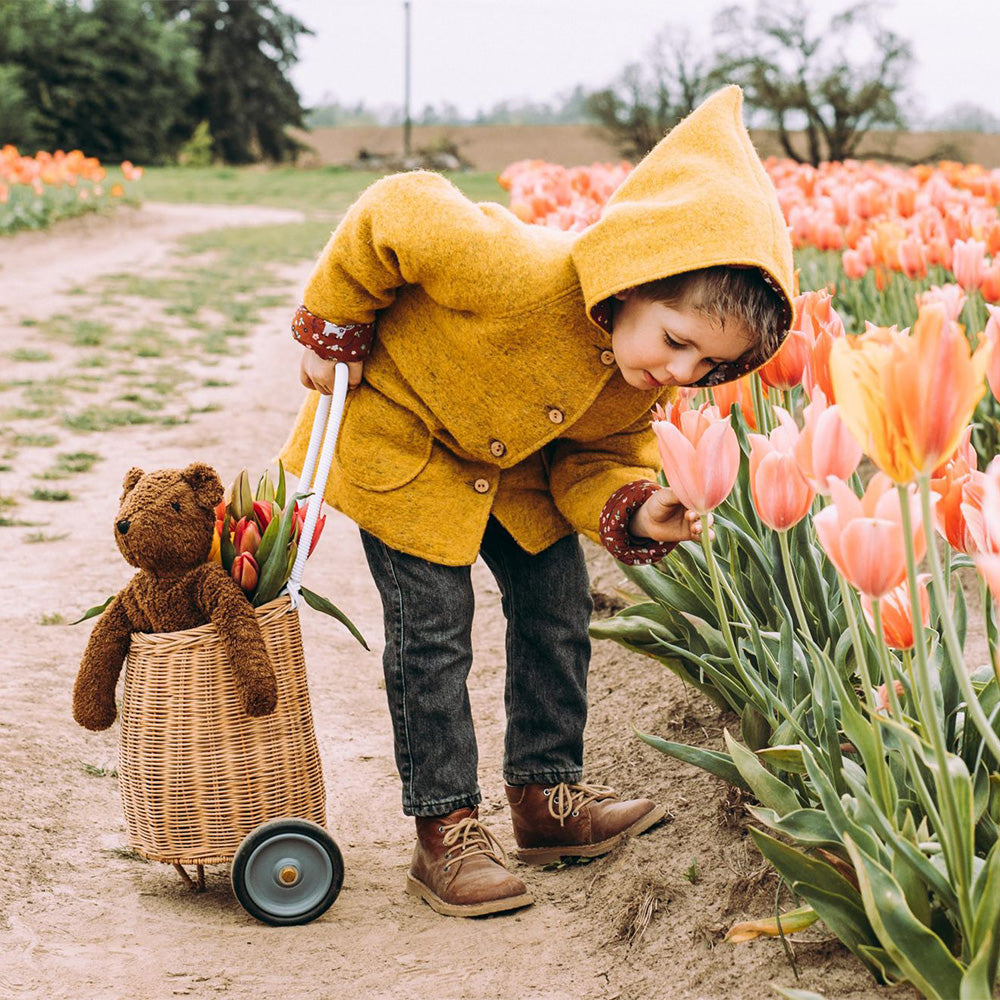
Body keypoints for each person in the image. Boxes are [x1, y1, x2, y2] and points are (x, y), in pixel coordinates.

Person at [279, 85, 794, 918]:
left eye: (710, 367)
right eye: (676, 340)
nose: (682, 374)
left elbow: (594, 457)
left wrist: (635, 506)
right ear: (632, 278)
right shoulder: (515, 271)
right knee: (434, 630)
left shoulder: (638, 380)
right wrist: (333, 325)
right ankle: (444, 826)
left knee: (557, 607)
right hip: (409, 441)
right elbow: (397, 206)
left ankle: (545, 799)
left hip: (516, 472)